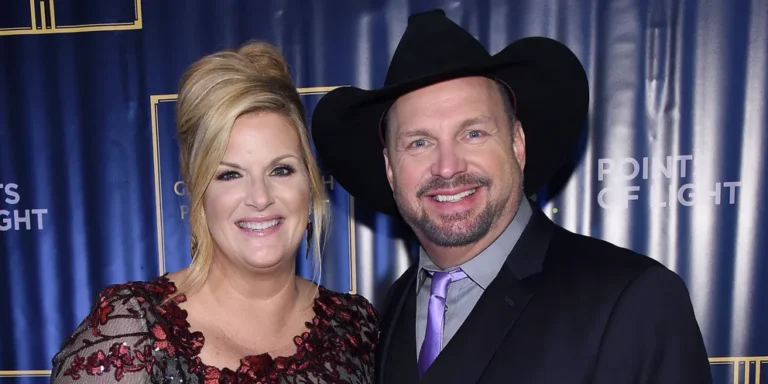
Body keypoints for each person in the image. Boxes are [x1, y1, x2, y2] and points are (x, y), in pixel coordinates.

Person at [310, 9, 712, 384]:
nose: (448, 167)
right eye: (419, 142)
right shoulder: (396, 304)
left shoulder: (632, 301)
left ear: (517, 143)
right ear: (390, 168)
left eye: (473, 133)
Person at [50, 41, 379, 383]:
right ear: (198, 190)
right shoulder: (133, 331)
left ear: (310, 182)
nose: (260, 197)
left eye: (281, 170)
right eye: (229, 174)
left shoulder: (357, 329)